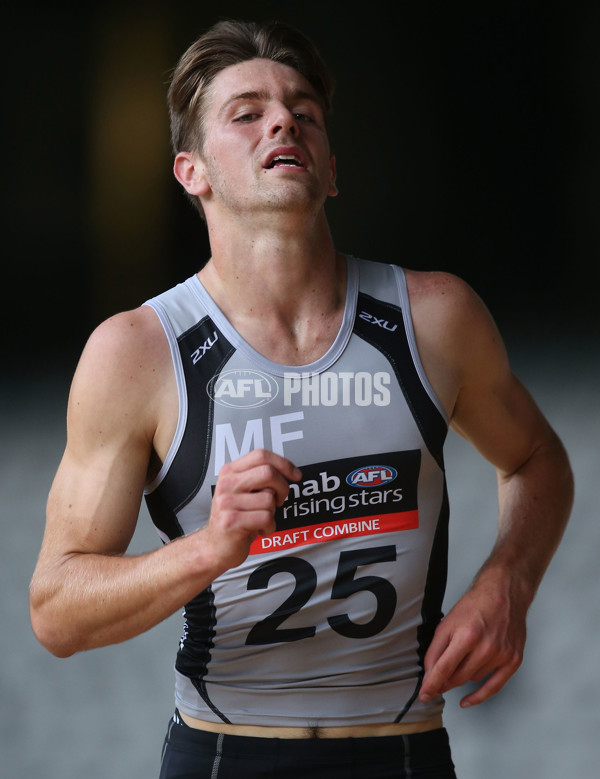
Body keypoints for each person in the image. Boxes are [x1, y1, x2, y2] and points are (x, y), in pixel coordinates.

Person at [29, 19, 573, 779]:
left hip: (405, 750)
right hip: (225, 751)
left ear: (331, 168)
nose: (282, 119)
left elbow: (537, 456)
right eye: (247, 113)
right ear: (192, 172)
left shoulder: (434, 317)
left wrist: (508, 582)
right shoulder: (137, 352)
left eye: (302, 112)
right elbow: (55, 609)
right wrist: (208, 550)